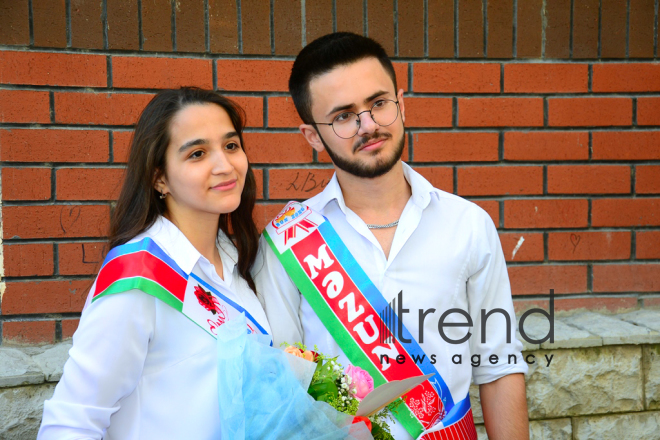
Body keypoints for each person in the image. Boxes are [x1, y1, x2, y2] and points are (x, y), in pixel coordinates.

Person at [255, 33, 530, 439]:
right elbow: (283, 377)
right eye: (344, 116)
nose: (368, 125)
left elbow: (499, 367)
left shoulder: (468, 224)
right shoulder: (287, 243)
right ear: (313, 136)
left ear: (401, 103)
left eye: (378, 103)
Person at [38, 88, 271, 439]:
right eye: (197, 153)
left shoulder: (236, 260)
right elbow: (73, 421)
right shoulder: (135, 276)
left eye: (231, 146)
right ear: (159, 177)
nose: (225, 166)